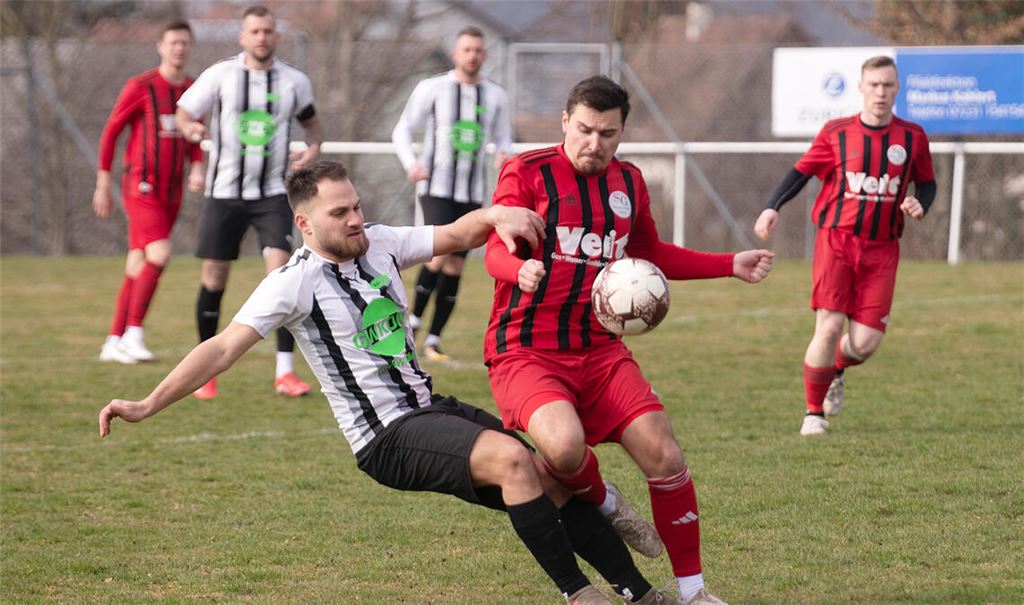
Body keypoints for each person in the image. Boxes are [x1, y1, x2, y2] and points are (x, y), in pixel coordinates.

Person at [99, 160, 686, 605]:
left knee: (549, 476)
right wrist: (147, 403)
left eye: (356, 206)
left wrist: (496, 215)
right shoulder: (291, 283)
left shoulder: (378, 243)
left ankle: (642, 594)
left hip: (427, 406)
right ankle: (579, 595)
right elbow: (222, 348)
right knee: (513, 461)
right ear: (304, 223)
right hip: (384, 436)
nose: (354, 218)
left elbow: (455, 235)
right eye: (340, 213)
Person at [484, 76, 776, 605]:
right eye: (585, 130)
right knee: (565, 446)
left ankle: (693, 593)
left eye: (608, 134)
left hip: (600, 350)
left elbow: (650, 254)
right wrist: (516, 270)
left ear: (622, 134)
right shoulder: (526, 172)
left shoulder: (629, 183)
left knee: (664, 453)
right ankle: (605, 502)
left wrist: (728, 264)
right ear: (565, 123)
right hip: (526, 348)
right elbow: (493, 250)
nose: (594, 144)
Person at [753, 55, 936, 437]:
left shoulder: (912, 137)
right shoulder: (836, 133)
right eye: (874, 85)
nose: (881, 92)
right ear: (861, 87)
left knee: (865, 344)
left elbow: (927, 183)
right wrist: (772, 207)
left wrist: (922, 203)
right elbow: (800, 173)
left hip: (883, 248)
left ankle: (836, 368)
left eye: (888, 85)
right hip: (837, 241)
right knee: (830, 323)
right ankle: (812, 413)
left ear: (897, 88)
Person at [175, 4, 322, 399]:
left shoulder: (294, 81)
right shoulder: (221, 75)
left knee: (282, 275)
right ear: (243, 36)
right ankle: (206, 374)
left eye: (268, 31)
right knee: (213, 278)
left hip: (273, 193)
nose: (262, 37)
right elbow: (184, 111)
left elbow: (311, 123)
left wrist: (313, 148)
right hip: (224, 194)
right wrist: (189, 125)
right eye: (255, 31)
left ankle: (285, 372)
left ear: (276, 36)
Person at [391, 25, 513, 362]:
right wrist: (411, 163)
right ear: (456, 54)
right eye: (466, 50)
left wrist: (503, 153)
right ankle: (412, 324)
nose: (472, 55)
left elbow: (504, 138)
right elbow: (402, 129)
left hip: (472, 191)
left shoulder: (495, 96)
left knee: (456, 266)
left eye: (478, 50)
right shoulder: (433, 88)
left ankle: (433, 339)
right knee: (438, 255)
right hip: (436, 188)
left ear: (483, 55)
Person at [94, 20, 205, 364]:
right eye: (173, 42)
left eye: (185, 43)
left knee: (138, 262)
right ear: (160, 46)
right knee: (160, 254)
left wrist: (198, 165)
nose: (179, 48)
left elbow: (196, 136)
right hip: (141, 186)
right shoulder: (141, 86)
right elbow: (111, 132)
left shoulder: (193, 90)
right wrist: (102, 181)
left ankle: (113, 340)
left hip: (172, 191)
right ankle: (134, 333)